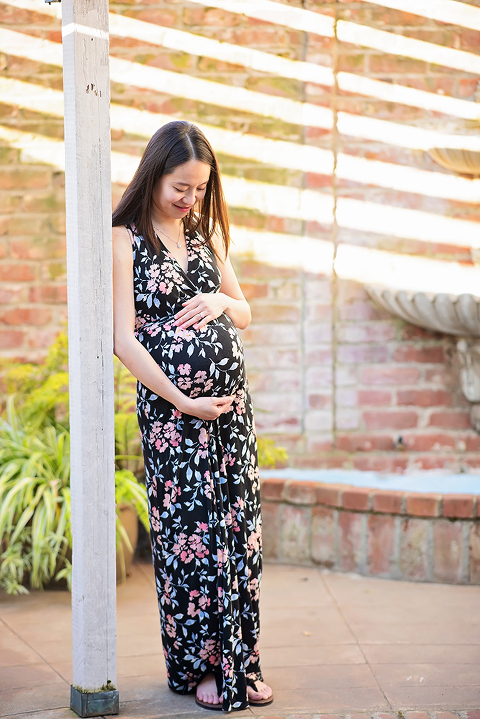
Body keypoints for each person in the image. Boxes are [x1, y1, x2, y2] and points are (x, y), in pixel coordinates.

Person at [112, 121, 273, 712]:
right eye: (181, 187)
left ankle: (242, 661)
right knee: (190, 540)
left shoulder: (206, 236)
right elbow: (123, 341)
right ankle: (201, 667)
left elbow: (246, 313)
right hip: (175, 419)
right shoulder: (124, 237)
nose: (190, 199)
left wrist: (224, 300)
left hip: (231, 417)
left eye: (201, 189)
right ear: (155, 173)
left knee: (239, 538)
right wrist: (184, 401)